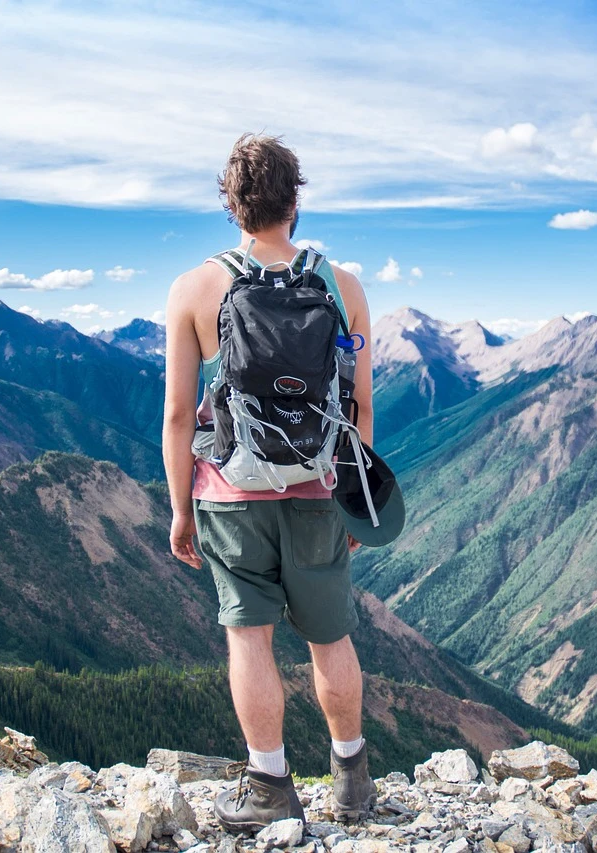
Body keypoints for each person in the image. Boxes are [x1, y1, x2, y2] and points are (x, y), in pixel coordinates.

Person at [162, 133, 376, 831]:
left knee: (248, 640)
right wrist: (357, 500)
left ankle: (268, 787)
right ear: (294, 197)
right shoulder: (341, 287)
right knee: (330, 636)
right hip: (318, 489)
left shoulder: (193, 288)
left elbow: (174, 414)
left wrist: (180, 511)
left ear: (231, 204)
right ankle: (352, 783)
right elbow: (359, 407)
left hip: (228, 493)